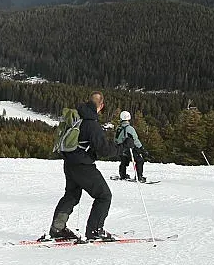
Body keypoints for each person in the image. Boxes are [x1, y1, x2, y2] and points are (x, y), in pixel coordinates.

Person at [48, 91, 119, 241]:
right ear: (101, 105)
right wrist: (122, 147)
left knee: (71, 195)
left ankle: (57, 228)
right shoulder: (92, 124)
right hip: (83, 165)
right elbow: (104, 150)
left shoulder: (76, 118)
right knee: (104, 196)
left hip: (69, 163)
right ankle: (94, 231)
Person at [114, 111, 146, 182]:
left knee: (124, 161)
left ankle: (123, 175)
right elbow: (135, 139)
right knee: (139, 160)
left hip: (120, 148)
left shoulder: (118, 128)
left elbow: (115, 139)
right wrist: (141, 148)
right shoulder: (130, 129)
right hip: (128, 149)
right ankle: (139, 176)